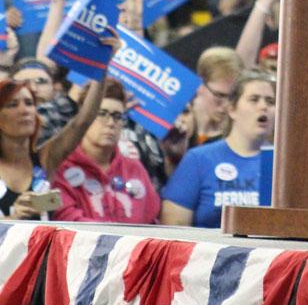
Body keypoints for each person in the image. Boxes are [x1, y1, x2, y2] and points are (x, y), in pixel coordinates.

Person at [0, 35, 116, 220]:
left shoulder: (46, 158)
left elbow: (83, 121)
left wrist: (102, 66)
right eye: (13, 104)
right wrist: (12, 220)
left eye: (29, 103)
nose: (25, 111)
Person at [160, 73, 275, 227]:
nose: (263, 106)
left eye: (270, 101)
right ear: (232, 109)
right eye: (254, 99)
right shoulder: (198, 159)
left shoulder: (283, 165)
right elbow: (173, 228)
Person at [51, 78, 161, 223]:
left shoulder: (135, 168)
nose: (110, 123)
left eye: (117, 116)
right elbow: (67, 220)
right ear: (84, 117)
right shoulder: (61, 168)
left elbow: (151, 221)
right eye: (101, 113)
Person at [192, 46, 243, 144]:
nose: (227, 105)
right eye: (219, 95)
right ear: (200, 86)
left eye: (232, 96)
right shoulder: (178, 124)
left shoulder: (241, 133)